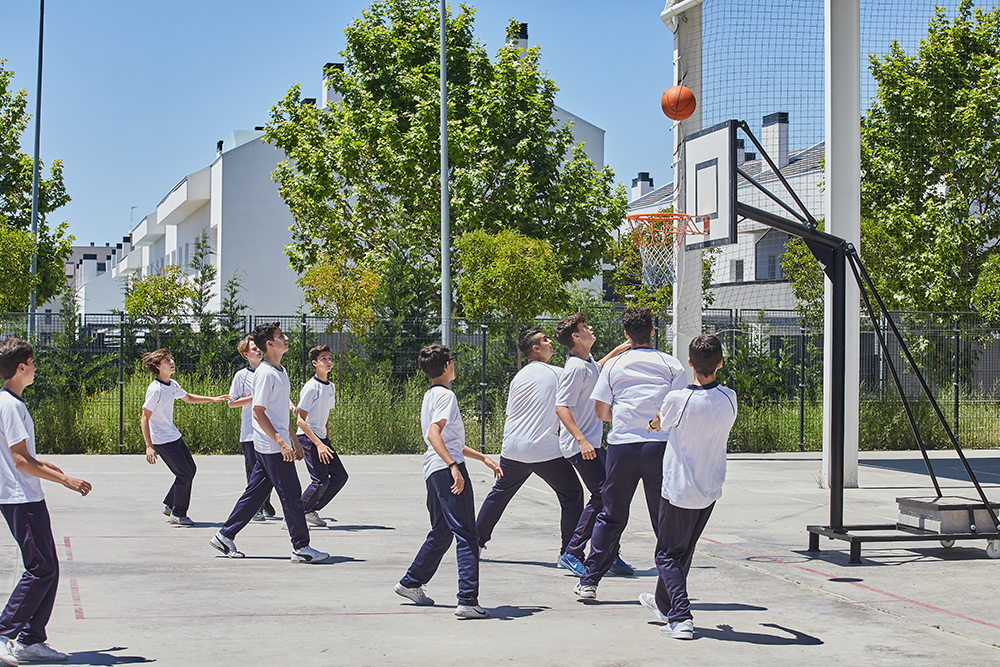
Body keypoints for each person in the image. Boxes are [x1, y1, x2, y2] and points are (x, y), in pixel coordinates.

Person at [574, 307, 687, 600]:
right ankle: (670, 586)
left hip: (622, 447)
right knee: (662, 516)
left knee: (611, 515)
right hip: (659, 446)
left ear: (626, 335)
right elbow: (679, 408)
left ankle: (589, 581)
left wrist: (625, 417)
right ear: (653, 331)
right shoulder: (671, 364)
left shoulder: (613, 366)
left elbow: (601, 411)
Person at [0, 338, 92, 665]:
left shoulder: (9, 402)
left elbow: (25, 456)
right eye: (33, 362)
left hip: (26, 496)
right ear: (21, 367)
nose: (36, 368)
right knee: (40, 568)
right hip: (19, 497)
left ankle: (30, 640)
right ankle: (5, 632)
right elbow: (19, 461)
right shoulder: (11, 405)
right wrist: (65, 480)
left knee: (48, 568)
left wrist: (48, 466)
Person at [639, 334, 737, 639]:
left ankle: (680, 617)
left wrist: (653, 423)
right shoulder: (729, 397)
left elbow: (661, 422)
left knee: (666, 555)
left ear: (690, 363)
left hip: (680, 490)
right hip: (710, 488)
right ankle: (662, 602)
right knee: (682, 552)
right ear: (720, 363)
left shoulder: (678, 398)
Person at [395, 344, 502, 619]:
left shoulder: (430, 396)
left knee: (442, 532)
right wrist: (454, 467)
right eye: (452, 361)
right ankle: (467, 599)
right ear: (446, 367)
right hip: (446, 469)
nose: (453, 365)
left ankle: (411, 582)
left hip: (433, 470)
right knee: (468, 535)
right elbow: (434, 435)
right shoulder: (446, 396)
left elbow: (449, 441)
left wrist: (482, 458)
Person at [210, 322, 329, 563]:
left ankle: (225, 535)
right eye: (280, 336)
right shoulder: (265, 374)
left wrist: (294, 440)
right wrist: (280, 443)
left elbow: (280, 412)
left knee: (255, 495)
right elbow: (258, 412)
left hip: (276, 445)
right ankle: (301, 547)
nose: (286, 338)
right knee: (292, 495)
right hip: (272, 448)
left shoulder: (280, 371)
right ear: (269, 344)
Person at [476, 328, 584, 563]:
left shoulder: (519, 376)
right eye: (545, 340)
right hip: (542, 449)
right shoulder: (556, 373)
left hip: (512, 448)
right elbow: (587, 374)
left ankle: (475, 543)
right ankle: (569, 551)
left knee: (500, 494)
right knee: (572, 494)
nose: (549, 343)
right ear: (536, 349)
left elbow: (508, 416)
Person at [552, 313, 631, 577]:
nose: (590, 328)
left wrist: (621, 348)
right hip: (581, 446)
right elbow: (561, 407)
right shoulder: (574, 368)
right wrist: (581, 440)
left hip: (592, 444)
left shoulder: (586, 364)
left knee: (613, 495)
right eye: (585, 327)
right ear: (576, 337)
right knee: (601, 496)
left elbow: (599, 367)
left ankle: (609, 553)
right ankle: (572, 552)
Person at [141, 348, 228, 525]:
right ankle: (178, 513)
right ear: (158, 366)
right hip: (162, 441)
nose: (172, 362)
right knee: (184, 473)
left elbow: (187, 397)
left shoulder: (171, 385)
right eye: (167, 360)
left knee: (190, 470)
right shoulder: (155, 389)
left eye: (171, 359)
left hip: (174, 436)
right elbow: (144, 417)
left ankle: (170, 504)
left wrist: (212, 399)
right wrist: (149, 446)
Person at [296, 345, 348, 527]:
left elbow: (325, 416)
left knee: (340, 476)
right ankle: (295, 515)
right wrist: (318, 444)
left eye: (329, 358)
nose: (328, 361)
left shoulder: (331, 387)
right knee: (320, 480)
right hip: (308, 438)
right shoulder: (311, 388)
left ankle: (309, 510)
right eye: (323, 359)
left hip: (322, 439)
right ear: (315, 363)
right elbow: (300, 420)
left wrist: (326, 440)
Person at [227, 336, 276, 521]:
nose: (259, 351)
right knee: (253, 471)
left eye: (259, 348)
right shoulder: (242, 375)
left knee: (270, 469)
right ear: (246, 354)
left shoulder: (269, 371)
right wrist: (254, 396)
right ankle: (255, 507)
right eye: (254, 348)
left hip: (268, 430)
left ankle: (265, 501)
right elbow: (232, 403)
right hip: (250, 431)